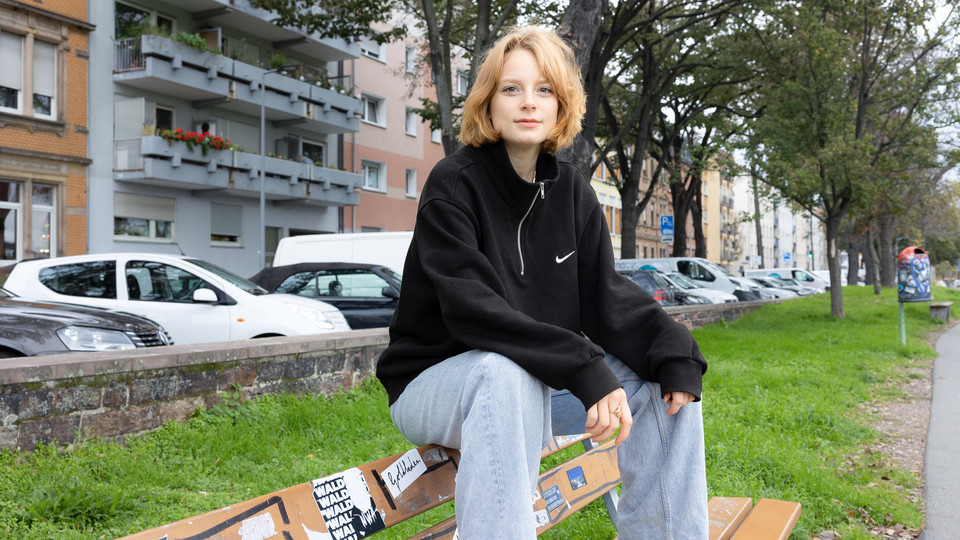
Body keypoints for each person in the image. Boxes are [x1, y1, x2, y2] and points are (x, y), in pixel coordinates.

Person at [376, 26, 708, 539]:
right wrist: (581, 365)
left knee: (661, 379)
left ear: (561, 105)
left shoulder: (572, 193)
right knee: (502, 371)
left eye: (544, 89)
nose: (528, 102)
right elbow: (473, 311)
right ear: (489, 105)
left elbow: (607, 297)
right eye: (511, 89)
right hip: (436, 383)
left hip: (531, 383)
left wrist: (674, 352)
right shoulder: (453, 184)